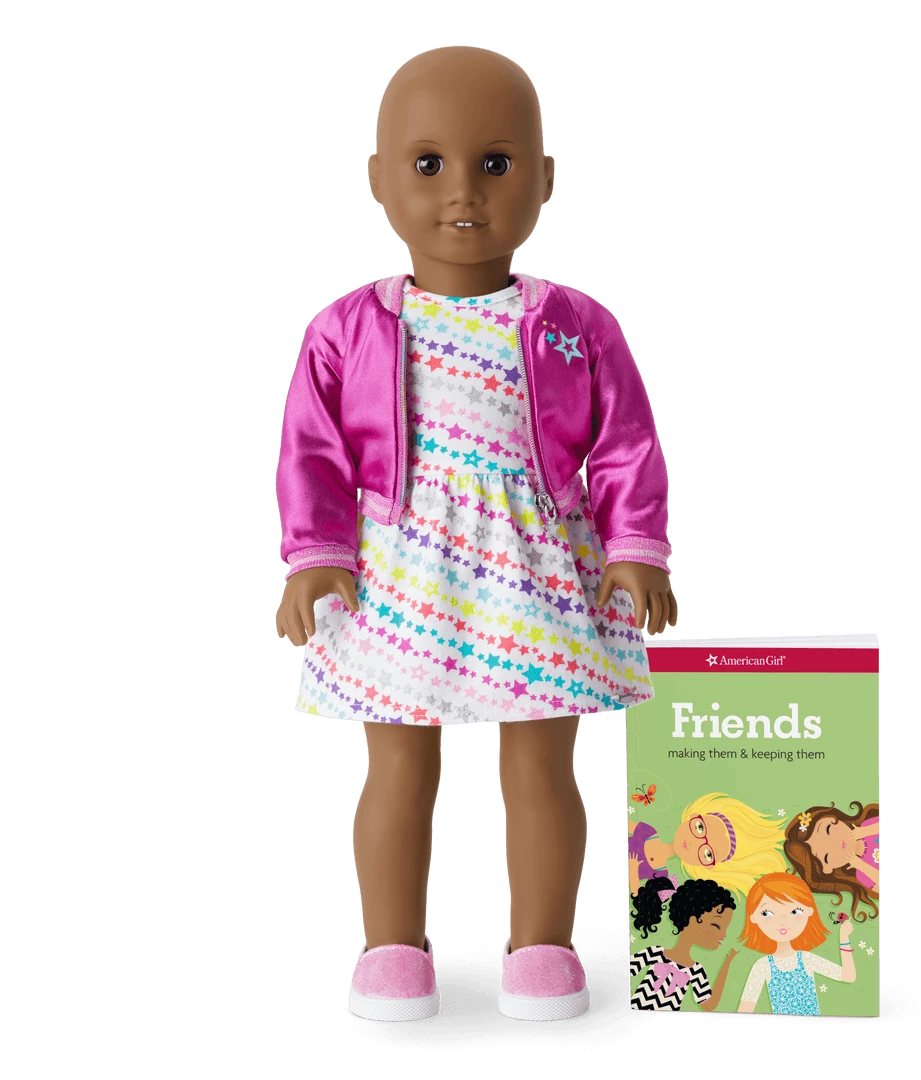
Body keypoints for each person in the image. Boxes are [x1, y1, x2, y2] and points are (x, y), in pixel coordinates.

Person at [274, 45, 676, 1022]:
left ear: (547, 177)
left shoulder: (575, 322)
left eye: (496, 163)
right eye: (428, 164)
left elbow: (625, 443)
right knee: (398, 764)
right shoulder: (347, 328)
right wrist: (313, 557)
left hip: (536, 570)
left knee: (540, 761)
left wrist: (635, 547)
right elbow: (313, 453)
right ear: (377, 178)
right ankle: (390, 949)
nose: (463, 192)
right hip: (399, 574)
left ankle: (541, 948)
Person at [628, 794, 788, 902]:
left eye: (708, 853)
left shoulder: (662, 877)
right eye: (700, 827)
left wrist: (633, 873)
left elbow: (639, 898)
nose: (694, 843)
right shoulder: (648, 832)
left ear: (708, 867)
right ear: (693, 816)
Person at [736, 873, 855, 1016]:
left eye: (795, 911)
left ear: (809, 911)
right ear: (754, 918)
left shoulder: (806, 959)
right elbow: (745, 1010)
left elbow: (848, 976)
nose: (782, 921)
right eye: (767, 913)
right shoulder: (762, 966)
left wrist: (844, 938)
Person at [629, 878, 739, 1012]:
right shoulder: (654, 953)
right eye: (716, 926)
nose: (723, 936)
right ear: (693, 920)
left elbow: (708, 1006)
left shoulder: (696, 971)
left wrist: (726, 963)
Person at [783, 801, 881, 921]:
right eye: (826, 857)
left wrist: (863, 832)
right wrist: (859, 864)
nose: (835, 844)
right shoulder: (862, 875)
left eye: (828, 829)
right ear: (827, 869)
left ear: (833, 817)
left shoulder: (869, 826)